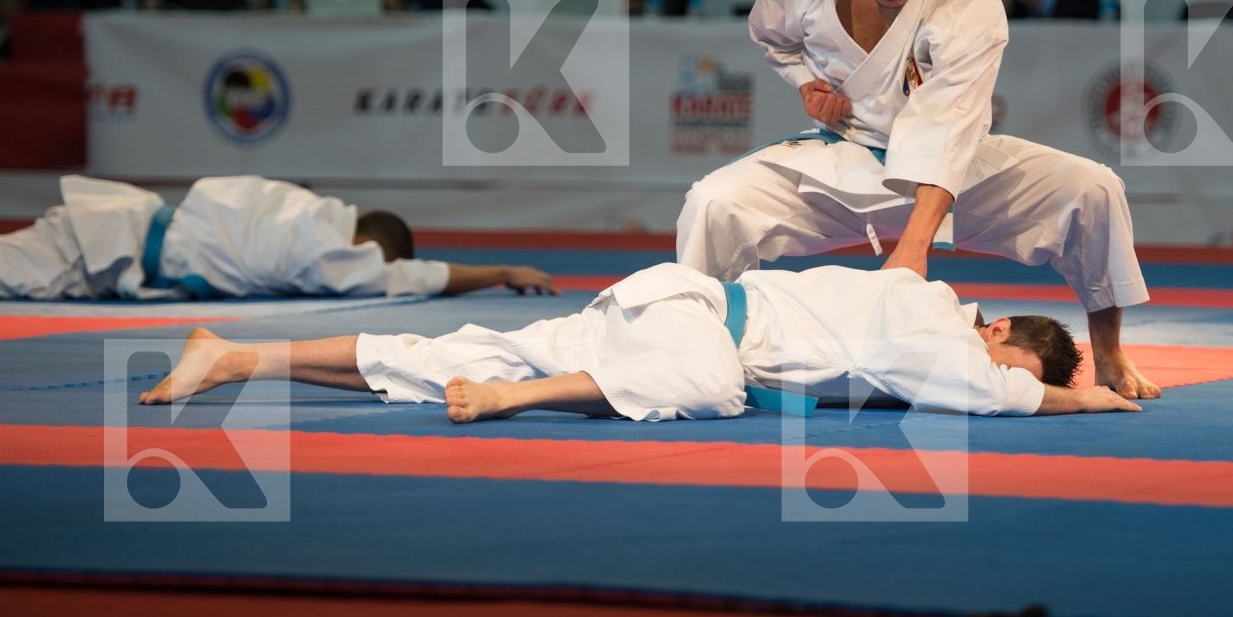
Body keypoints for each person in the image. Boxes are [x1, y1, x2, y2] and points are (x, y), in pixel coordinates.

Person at [676, 0, 1160, 399]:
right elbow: (771, 34)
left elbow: (947, 130)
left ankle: (1110, 355)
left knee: (1093, 189)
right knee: (713, 203)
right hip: (844, 157)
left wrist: (914, 248)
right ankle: (693, 359)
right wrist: (805, 85)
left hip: (953, 172)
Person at [140, 263, 1143, 420]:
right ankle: (513, 404)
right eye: (1008, 358)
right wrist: (1080, 397)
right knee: (714, 390)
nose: (994, 373)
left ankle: (232, 354)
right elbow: (965, 385)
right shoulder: (930, 315)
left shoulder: (910, 295)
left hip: (653, 306)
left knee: (442, 353)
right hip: (695, 325)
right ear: (1001, 328)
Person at [0, 174, 554, 301]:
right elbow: (408, 276)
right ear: (368, 246)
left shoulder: (299, 202)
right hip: (100, 248)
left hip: (116, 231)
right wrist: (501, 272)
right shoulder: (320, 243)